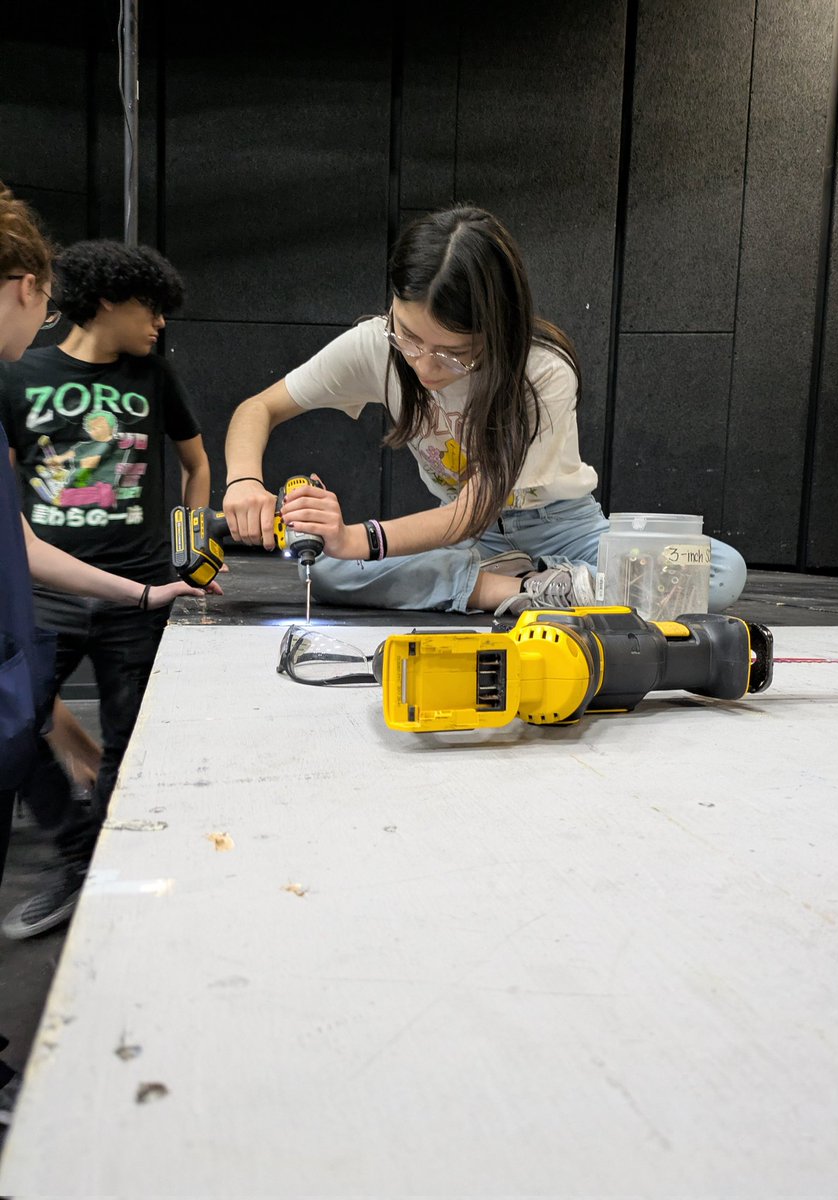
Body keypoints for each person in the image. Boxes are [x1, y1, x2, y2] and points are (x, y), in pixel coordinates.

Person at [223, 204, 747, 616]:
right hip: (471, 539)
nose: (425, 365)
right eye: (409, 337)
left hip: (562, 527)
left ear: (497, 328)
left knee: (720, 570)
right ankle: (518, 589)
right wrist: (243, 482)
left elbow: (471, 509)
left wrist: (356, 538)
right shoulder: (376, 344)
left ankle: (497, 582)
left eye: (454, 353)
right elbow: (257, 408)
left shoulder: (540, 371)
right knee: (325, 568)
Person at [0, 181, 217, 1114]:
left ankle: (120, 902)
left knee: (133, 754)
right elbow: (12, 502)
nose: (161, 323)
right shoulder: (20, 375)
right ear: (105, 301)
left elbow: (197, 462)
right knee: (18, 742)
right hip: (48, 596)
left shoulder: (152, 378)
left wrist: (192, 548)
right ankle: (74, 859)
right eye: (150, 307)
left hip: (139, 593)